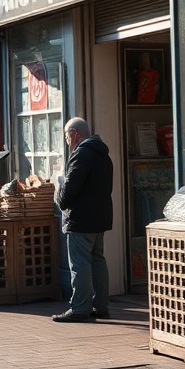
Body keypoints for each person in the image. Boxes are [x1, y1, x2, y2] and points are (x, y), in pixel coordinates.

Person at [52, 117, 113, 323]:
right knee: (97, 260)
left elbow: (69, 192)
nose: (67, 140)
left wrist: (59, 190)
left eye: (67, 135)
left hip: (81, 220)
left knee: (80, 264)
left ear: (75, 134)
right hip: (100, 218)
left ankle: (80, 308)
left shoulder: (81, 155)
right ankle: (101, 305)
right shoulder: (103, 155)